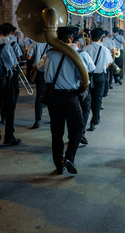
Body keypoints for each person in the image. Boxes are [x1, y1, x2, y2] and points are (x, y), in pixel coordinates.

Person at [37, 27, 86, 175]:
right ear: (71, 39)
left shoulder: (49, 54)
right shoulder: (76, 55)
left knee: (57, 132)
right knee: (77, 128)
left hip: (54, 97)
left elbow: (39, 68)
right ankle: (69, 157)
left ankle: (58, 165)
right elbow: (86, 71)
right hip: (70, 96)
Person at [83, 29, 113, 134]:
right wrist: (103, 66)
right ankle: (94, 122)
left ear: (91, 37)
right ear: (101, 38)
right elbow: (109, 62)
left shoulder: (85, 49)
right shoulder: (105, 50)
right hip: (100, 76)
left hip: (87, 76)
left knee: (87, 99)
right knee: (97, 99)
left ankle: (84, 122)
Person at [27, 39, 50, 129]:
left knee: (39, 95)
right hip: (51, 71)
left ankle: (37, 120)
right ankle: (53, 117)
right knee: (52, 95)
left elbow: (28, 57)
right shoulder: (54, 42)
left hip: (39, 70)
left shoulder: (36, 42)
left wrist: (37, 57)